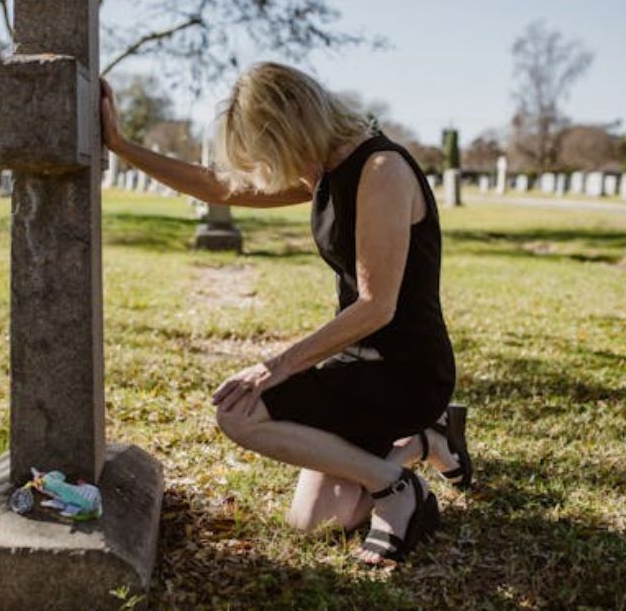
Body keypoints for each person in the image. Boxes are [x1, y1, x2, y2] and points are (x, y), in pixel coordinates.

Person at [99, 62, 471, 565]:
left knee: (241, 413)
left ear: (298, 118)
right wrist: (121, 146)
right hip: (356, 365)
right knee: (316, 521)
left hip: (407, 372)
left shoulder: (381, 170)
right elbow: (220, 188)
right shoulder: (321, 168)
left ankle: (398, 487)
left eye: (271, 149)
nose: (273, 168)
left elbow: (376, 305)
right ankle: (424, 441)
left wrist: (276, 365)